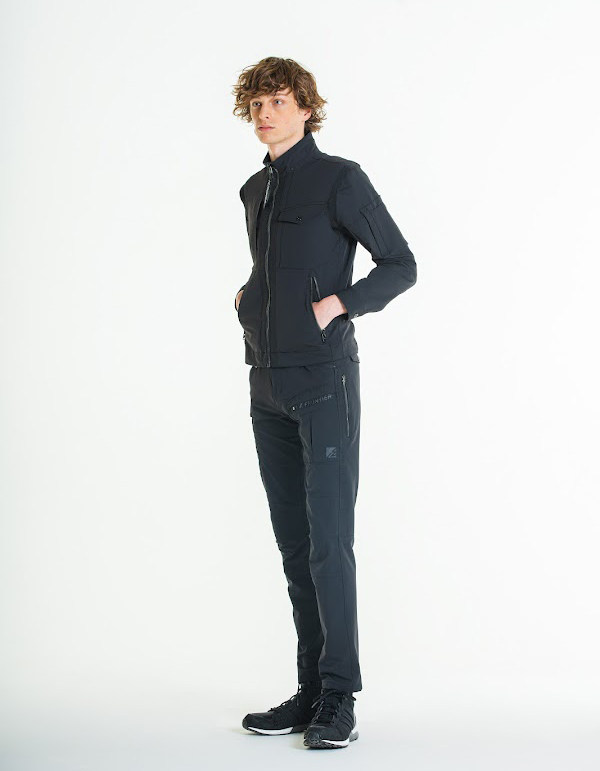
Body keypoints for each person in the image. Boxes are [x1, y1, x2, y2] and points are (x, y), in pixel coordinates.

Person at [231, 57, 417, 749]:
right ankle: (310, 688)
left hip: (324, 383)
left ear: (307, 108)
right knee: (294, 546)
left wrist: (340, 302)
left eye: (279, 101)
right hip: (267, 384)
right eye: (257, 103)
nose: (266, 113)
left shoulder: (340, 178)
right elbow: (274, 268)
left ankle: (340, 695)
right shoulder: (255, 188)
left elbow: (400, 263)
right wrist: (248, 298)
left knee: (329, 544)